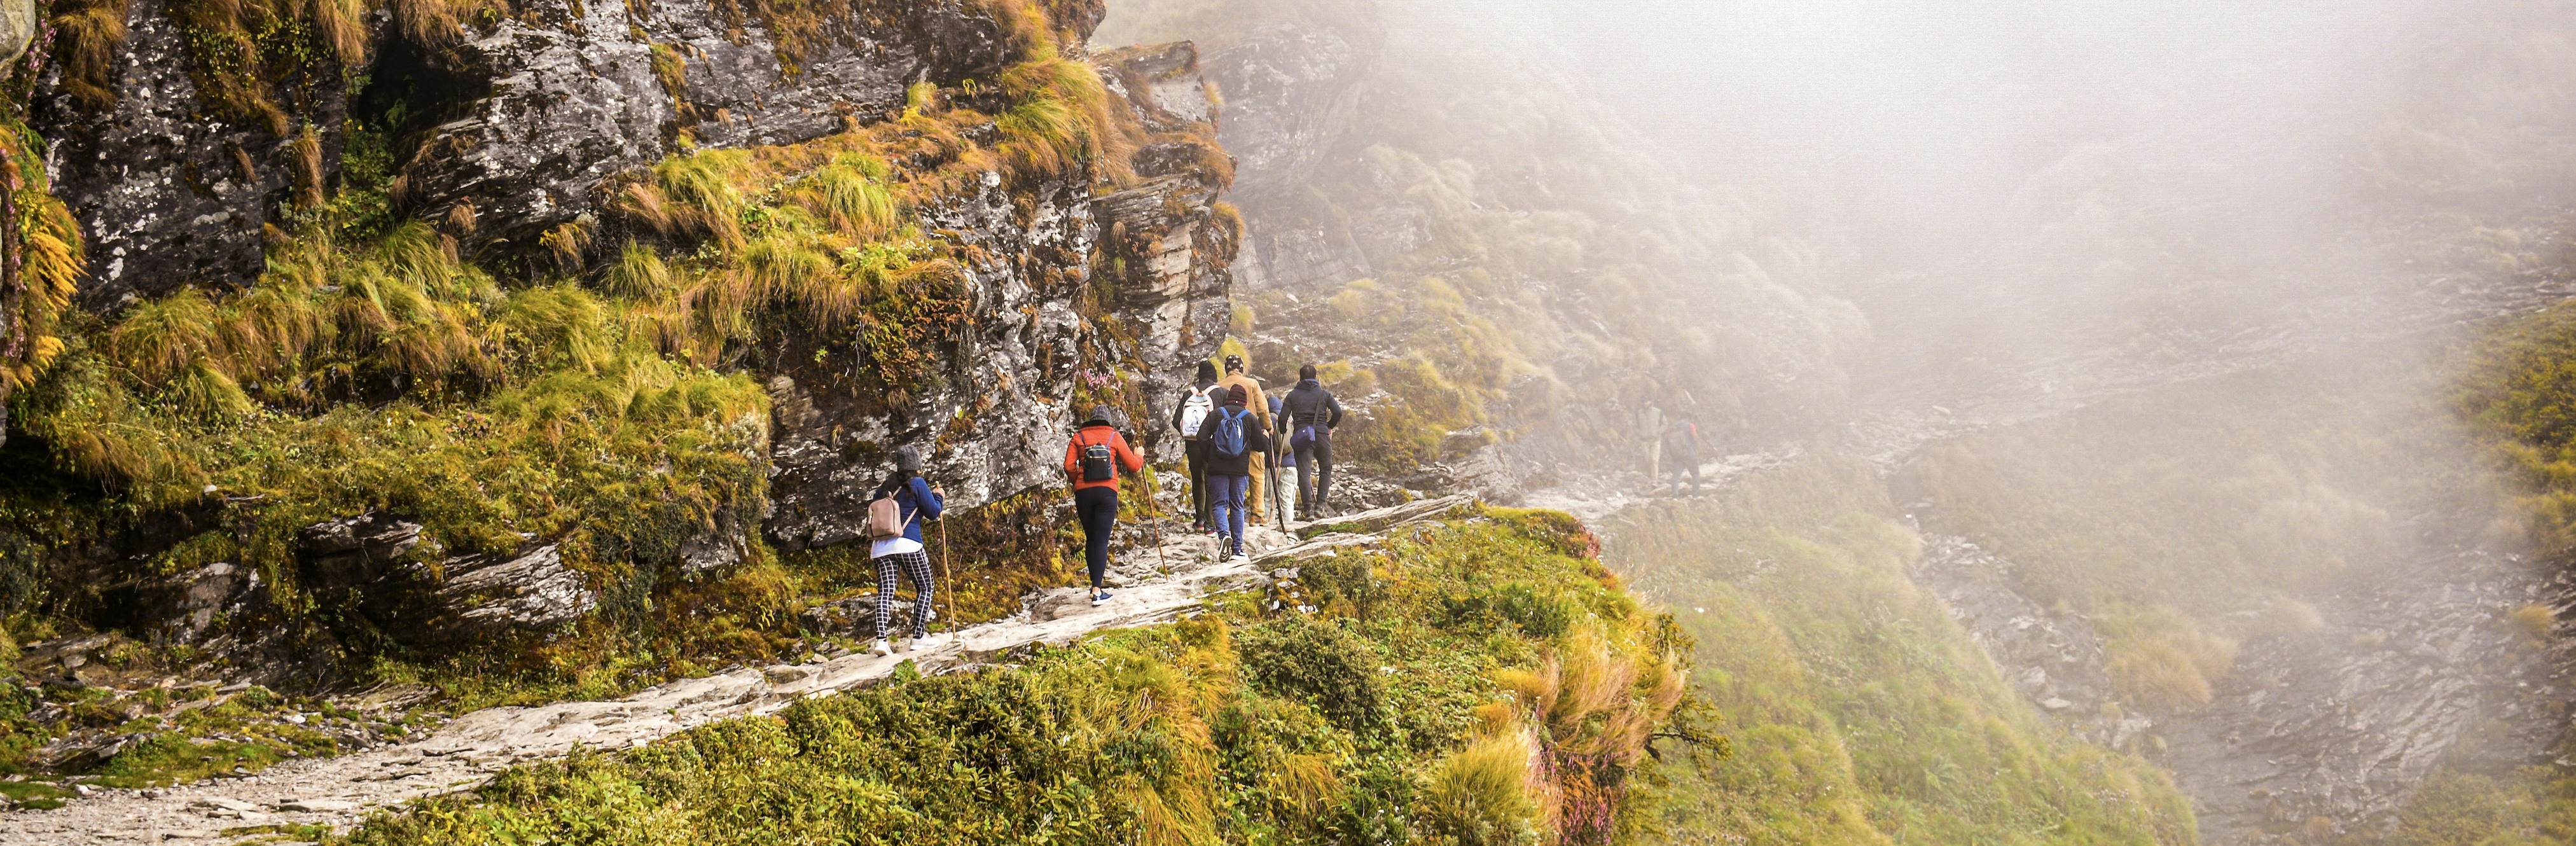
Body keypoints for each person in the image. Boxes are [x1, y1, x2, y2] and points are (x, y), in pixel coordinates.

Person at [1064, 405, 1145, 606]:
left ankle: (1094, 587)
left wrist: (1078, 481)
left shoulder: (1078, 437)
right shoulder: (1114, 436)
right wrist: (1140, 455)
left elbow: (1068, 466)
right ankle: (1097, 591)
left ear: (1091, 419)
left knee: (1091, 539)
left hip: (1084, 494)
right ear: (1108, 420)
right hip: (1107, 493)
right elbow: (1134, 466)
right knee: (1101, 540)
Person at [869, 447, 945, 655]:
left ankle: (881, 641)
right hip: (908, 543)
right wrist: (939, 496)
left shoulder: (886, 486)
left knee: (885, 591)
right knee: (926, 587)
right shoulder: (918, 483)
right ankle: (918, 637)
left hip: (881, 547)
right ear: (917, 466)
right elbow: (933, 512)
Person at [1195, 384, 1270, 562]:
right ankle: (1237, 549)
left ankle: (1224, 536)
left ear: (1228, 399)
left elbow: (1201, 437)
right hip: (1240, 469)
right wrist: (1265, 436)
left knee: (1220, 504)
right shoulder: (1249, 418)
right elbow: (1260, 445)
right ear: (1244, 401)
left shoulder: (1216, 415)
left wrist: (1210, 456)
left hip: (1217, 467)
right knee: (1237, 506)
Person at [1278, 363, 1344, 519]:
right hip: (1322, 435)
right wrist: (1329, 426)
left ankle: (1308, 510)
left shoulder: (1292, 395)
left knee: (1304, 473)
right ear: (1316, 377)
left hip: (1303, 437)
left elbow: (1282, 418)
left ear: (1300, 378)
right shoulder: (1324, 394)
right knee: (1325, 469)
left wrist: (1284, 431)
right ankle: (1320, 506)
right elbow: (1338, 412)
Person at [1213, 355, 1272, 523]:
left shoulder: (1218, 386)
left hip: (1226, 441)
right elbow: (1263, 409)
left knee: (1228, 476)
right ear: (1242, 368)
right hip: (1250, 436)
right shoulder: (1252, 384)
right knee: (1256, 475)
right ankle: (1257, 514)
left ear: (1226, 369)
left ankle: (1228, 512)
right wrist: (1268, 427)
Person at [1170, 361, 1222, 534]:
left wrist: (1189, 434)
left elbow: (1176, 420)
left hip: (1192, 444)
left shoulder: (1188, 394)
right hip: (1211, 444)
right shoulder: (1220, 393)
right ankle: (1210, 524)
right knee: (1210, 480)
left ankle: (1199, 520)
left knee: (1197, 480)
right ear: (1214, 377)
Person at [1663, 412, 1703, 496]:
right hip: (1689, 453)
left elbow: (1666, 439)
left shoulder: (1672, 427)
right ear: (1688, 418)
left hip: (1677, 454)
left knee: (1676, 475)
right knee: (1695, 474)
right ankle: (1696, 495)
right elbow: (1695, 437)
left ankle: (1675, 495)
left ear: (1680, 417)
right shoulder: (1690, 425)